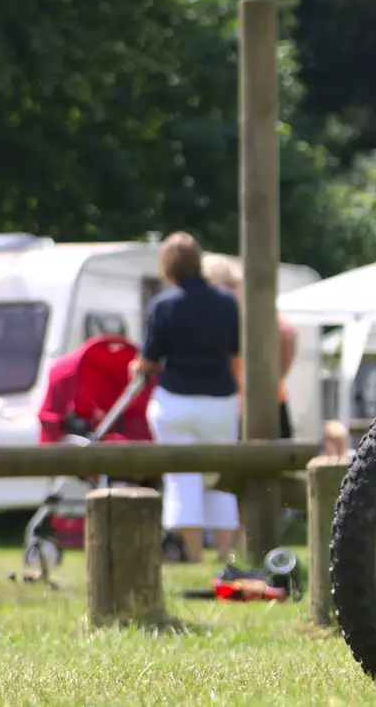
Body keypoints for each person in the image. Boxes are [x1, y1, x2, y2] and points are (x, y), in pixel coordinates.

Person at [135, 232, 244, 563]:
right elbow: (235, 355)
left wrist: (136, 366)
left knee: (183, 479)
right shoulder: (227, 303)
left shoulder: (164, 305)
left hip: (175, 401)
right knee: (221, 477)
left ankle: (194, 556)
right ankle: (227, 554)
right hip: (220, 400)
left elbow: (149, 360)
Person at [201, 253, 299, 439]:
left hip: (237, 407)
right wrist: (276, 378)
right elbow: (288, 333)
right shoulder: (253, 307)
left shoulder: (224, 309)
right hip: (273, 400)